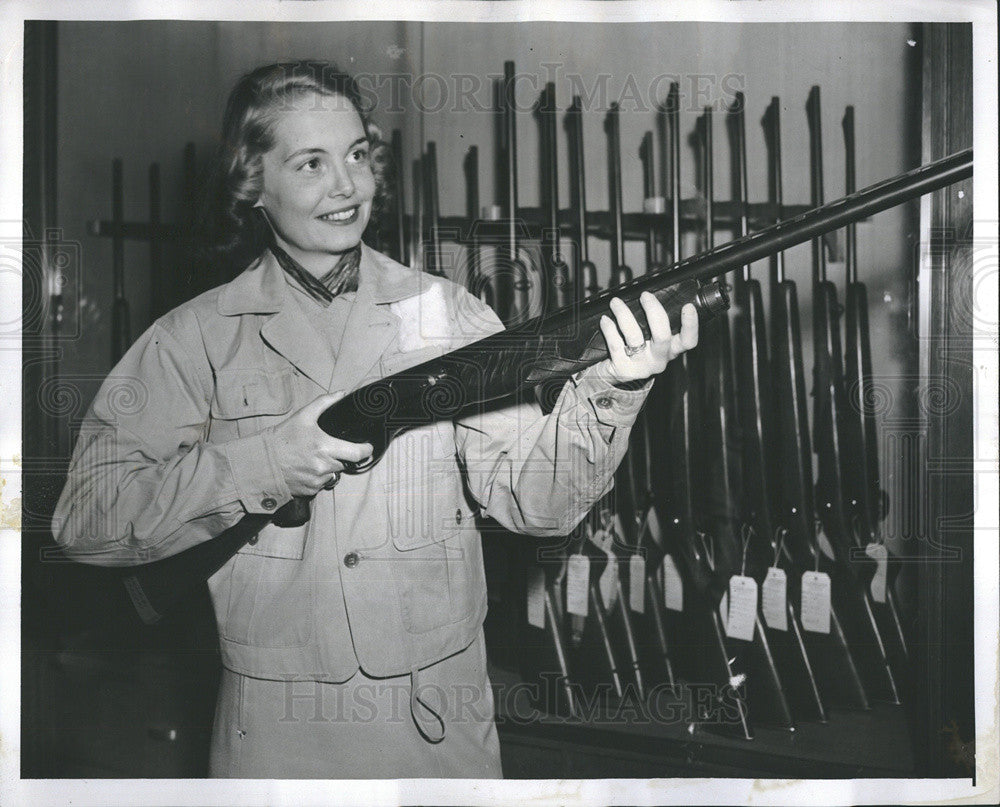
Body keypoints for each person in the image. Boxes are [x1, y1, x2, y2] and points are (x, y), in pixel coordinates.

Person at [51, 61, 698, 779]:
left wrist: (612, 383)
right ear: (252, 183)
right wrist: (269, 461)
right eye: (311, 163)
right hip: (274, 741)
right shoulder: (195, 338)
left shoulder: (448, 314)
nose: (347, 186)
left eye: (357, 155)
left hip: (437, 734)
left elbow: (537, 502)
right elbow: (87, 519)